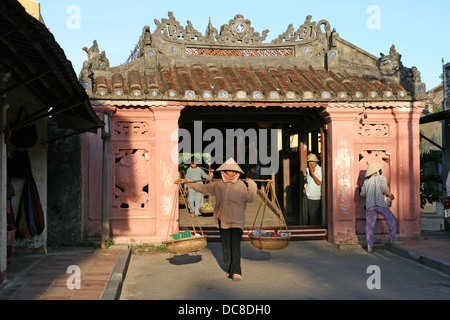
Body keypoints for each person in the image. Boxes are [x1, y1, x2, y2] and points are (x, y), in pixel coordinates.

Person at [181, 158, 257, 281]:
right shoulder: (218, 184)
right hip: (223, 219)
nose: (231, 173)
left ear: (237, 173)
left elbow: (251, 197)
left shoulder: (241, 185)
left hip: (237, 220)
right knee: (226, 246)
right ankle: (229, 270)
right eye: (228, 171)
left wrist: (252, 183)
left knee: (235, 246)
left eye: (233, 171)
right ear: (224, 172)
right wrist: (187, 182)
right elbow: (202, 188)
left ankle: (237, 271)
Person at [360, 162, 397, 253]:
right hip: (381, 205)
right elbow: (384, 189)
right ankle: (392, 239)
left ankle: (369, 246)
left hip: (370, 206)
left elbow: (362, 194)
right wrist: (390, 195)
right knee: (392, 220)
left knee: (370, 226)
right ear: (377, 171)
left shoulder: (366, 182)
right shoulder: (381, 178)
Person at [303, 153, 322, 225]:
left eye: (312, 161)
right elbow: (306, 179)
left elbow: (319, 182)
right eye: (309, 161)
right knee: (305, 214)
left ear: (316, 162)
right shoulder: (307, 169)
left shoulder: (319, 170)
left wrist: (313, 174)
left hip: (315, 196)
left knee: (313, 215)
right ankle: (305, 229)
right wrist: (304, 187)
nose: (311, 163)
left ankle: (313, 229)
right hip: (307, 194)